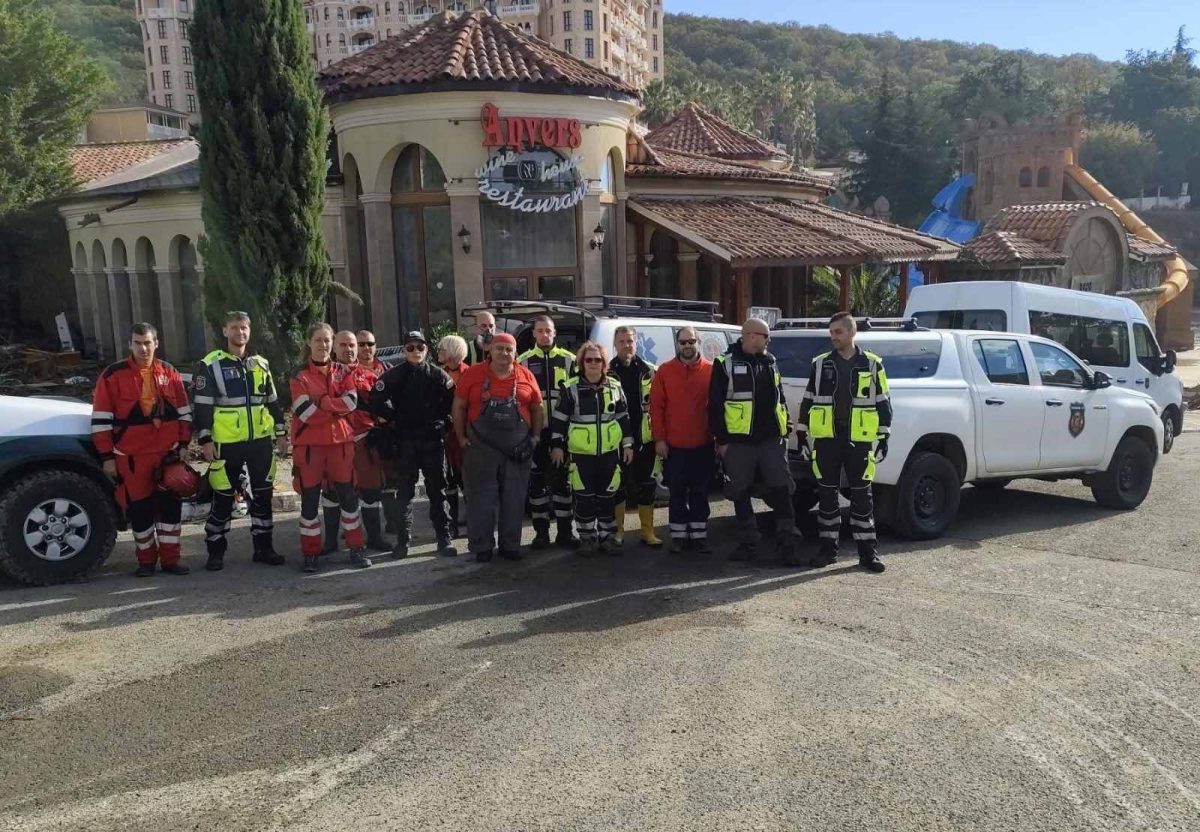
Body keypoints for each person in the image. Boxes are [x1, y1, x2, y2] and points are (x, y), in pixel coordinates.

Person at [91, 323, 193, 576]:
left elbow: (184, 413)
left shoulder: (170, 372)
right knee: (140, 509)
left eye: (147, 343)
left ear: (156, 343)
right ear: (130, 345)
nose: (143, 348)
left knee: (171, 508)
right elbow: (101, 420)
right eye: (137, 343)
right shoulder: (113, 375)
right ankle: (146, 562)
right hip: (132, 457)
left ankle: (171, 561)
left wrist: (183, 445)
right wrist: (106, 456)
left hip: (167, 454)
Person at [193, 311, 288, 571]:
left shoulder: (261, 364)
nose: (240, 332)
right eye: (234, 327)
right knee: (223, 498)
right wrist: (205, 440)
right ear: (225, 331)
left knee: (263, 496)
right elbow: (202, 406)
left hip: (260, 443)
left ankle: (264, 548)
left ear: (249, 331)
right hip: (226, 444)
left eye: (244, 327)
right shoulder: (210, 364)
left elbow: (272, 402)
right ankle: (215, 553)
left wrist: (281, 434)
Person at [796, 312, 890, 573]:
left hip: (859, 439)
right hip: (827, 439)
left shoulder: (872, 364)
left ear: (851, 332)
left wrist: (884, 435)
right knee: (827, 496)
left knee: (862, 497)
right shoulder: (820, 364)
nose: (833, 337)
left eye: (838, 332)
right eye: (831, 333)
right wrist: (802, 433)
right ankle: (828, 551)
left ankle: (868, 555)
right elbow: (808, 399)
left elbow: (883, 401)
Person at [709, 318, 806, 566]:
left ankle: (788, 544)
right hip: (738, 443)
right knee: (739, 493)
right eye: (766, 336)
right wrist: (722, 440)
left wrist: (786, 427)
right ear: (751, 336)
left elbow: (779, 397)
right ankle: (748, 543)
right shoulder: (725, 363)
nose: (769, 340)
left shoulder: (770, 361)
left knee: (782, 490)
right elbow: (715, 405)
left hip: (772, 441)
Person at [452, 333, 543, 562]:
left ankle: (510, 546)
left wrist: (535, 437)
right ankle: (482, 547)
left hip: (517, 450)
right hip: (480, 449)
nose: (504, 353)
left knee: (514, 499)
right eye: (499, 348)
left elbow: (537, 407)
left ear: (515, 353)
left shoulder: (526, 375)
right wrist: (461, 438)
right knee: (480, 499)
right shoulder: (472, 374)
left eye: (509, 349)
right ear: (490, 351)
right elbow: (459, 406)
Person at [290, 323, 369, 572]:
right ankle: (310, 553)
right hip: (310, 447)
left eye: (327, 340)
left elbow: (351, 402)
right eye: (318, 340)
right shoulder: (298, 375)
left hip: (340, 444)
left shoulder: (344, 371)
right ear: (309, 342)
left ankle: (356, 548)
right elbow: (305, 412)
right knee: (310, 502)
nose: (323, 345)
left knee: (349, 498)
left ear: (332, 343)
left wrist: (323, 402)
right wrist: (334, 408)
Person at [370, 330, 455, 559]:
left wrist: (443, 420)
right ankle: (403, 541)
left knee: (437, 492)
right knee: (405, 493)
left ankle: (444, 539)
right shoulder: (394, 375)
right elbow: (375, 399)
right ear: (404, 350)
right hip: (405, 441)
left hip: (431, 440)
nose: (415, 351)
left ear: (426, 350)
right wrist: (392, 417)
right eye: (410, 347)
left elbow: (452, 401)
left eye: (420, 347)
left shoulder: (437, 375)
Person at [551, 341, 634, 556]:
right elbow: (559, 420)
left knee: (608, 497)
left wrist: (628, 444)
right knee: (584, 498)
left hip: (609, 454)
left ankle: (607, 537)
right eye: (589, 359)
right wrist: (557, 446)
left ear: (604, 363)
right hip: (581, 455)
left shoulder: (614, 386)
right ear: (582, 363)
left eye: (598, 359)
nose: (593, 363)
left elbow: (624, 418)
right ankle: (587, 538)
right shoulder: (570, 388)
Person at [321, 330, 389, 553]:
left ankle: (375, 538)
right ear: (334, 347)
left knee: (370, 492)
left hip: (364, 443)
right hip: (334, 444)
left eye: (352, 345)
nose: (348, 349)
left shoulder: (369, 376)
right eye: (343, 345)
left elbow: (383, 409)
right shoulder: (324, 375)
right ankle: (331, 542)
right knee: (332, 493)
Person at [649, 326, 715, 554]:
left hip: (703, 444)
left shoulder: (711, 370)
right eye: (683, 342)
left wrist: (718, 439)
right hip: (674, 446)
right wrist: (659, 439)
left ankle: (699, 537)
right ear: (677, 344)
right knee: (676, 493)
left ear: (699, 342)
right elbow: (656, 407)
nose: (687, 346)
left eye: (691, 341)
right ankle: (678, 537)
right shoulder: (665, 371)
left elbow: (718, 408)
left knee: (700, 492)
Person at [519, 315, 578, 549]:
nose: (544, 334)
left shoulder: (569, 360)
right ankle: (541, 533)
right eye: (540, 330)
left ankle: (565, 532)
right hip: (536, 433)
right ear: (534, 333)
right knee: (536, 486)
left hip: (562, 434)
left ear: (555, 333)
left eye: (548, 330)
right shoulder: (523, 361)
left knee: (563, 485)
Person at [608, 325, 661, 547]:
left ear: (636, 342)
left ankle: (647, 531)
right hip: (615, 440)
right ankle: (618, 532)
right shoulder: (606, 372)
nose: (626, 345)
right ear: (615, 344)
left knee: (647, 485)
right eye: (621, 341)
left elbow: (660, 406)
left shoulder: (651, 371)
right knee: (617, 487)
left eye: (630, 341)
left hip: (644, 439)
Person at [437, 334, 469, 538]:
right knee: (448, 480)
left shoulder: (469, 374)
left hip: (464, 435)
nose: (438, 352)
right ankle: (452, 524)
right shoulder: (437, 373)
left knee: (467, 479)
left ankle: (473, 522)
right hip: (445, 435)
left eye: (442, 348)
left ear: (453, 351)